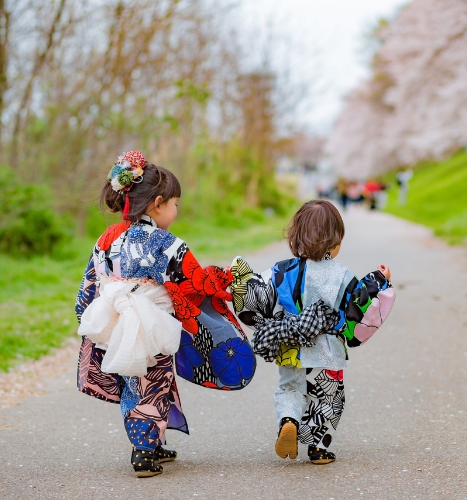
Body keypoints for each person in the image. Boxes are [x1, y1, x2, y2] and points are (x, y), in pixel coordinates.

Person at [75, 151, 255, 478]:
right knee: (156, 379)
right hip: (153, 322)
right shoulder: (167, 243)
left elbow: (90, 281)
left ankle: (149, 442)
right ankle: (143, 452)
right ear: (158, 203)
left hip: (115, 320)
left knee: (132, 381)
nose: (176, 210)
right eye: (174, 204)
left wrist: (84, 314)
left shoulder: (106, 238)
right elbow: (195, 281)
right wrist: (227, 277)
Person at [229, 200, 396, 464]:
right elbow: (358, 304)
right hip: (326, 351)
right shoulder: (341, 275)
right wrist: (378, 279)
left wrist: (238, 278)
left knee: (290, 388)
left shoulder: (281, 271)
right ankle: (318, 447)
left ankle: (289, 420)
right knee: (327, 397)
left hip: (290, 346)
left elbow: (257, 294)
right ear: (336, 242)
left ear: (295, 237)